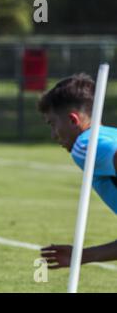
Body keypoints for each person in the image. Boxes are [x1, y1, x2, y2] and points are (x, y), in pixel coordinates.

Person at [38, 73, 117, 268]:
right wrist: (82, 255)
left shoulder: (85, 146)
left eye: (52, 124)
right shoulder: (110, 135)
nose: (53, 135)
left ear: (73, 120)